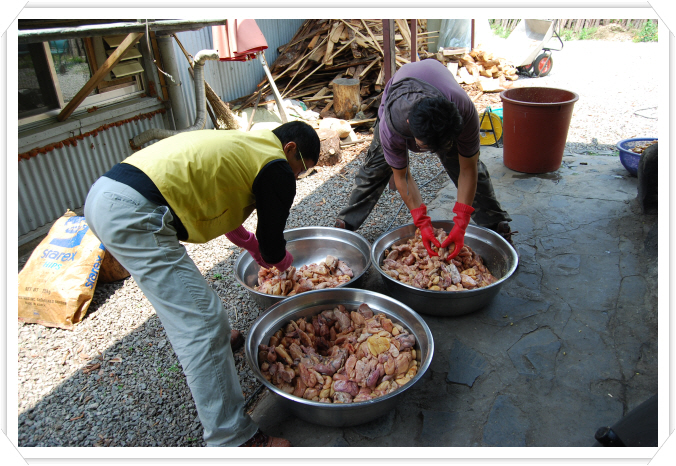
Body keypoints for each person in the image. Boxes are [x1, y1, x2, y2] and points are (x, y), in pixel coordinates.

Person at [84, 120, 320, 447]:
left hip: (108, 194)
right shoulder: (276, 166)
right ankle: (232, 438)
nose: (297, 176)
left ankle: (221, 342)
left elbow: (224, 208)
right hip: (134, 211)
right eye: (301, 168)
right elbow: (272, 244)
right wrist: (286, 265)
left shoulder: (248, 146)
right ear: (290, 148)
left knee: (188, 302)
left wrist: (251, 246)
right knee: (202, 323)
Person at [334, 58, 516, 259]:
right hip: (400, 99)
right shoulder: (392, 126)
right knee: (376, 167)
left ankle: (496, 225)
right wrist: (422, 222)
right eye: (423, 146)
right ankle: (345, 225)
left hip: (439, 91)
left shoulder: (464, 112)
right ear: (409, 125)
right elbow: (402, 177)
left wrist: (462, 221)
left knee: (463, 164)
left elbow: (468, 169)